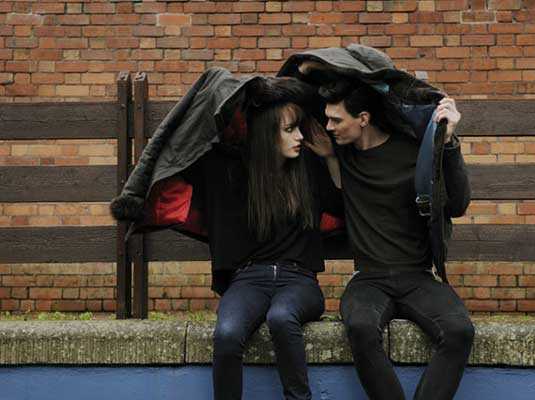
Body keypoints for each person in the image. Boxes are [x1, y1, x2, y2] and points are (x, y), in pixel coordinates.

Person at [305, 76, 474, 400]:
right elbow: (335, 201)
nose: (328, 127)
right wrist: (328, 157)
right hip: (369, 279)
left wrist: (449, 142)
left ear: (363, 119)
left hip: (417, 276)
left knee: (459, 331)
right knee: (361, 328)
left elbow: (458, 204)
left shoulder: (413, 151)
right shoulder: (342, 155)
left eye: (336, 120)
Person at [181, 79, 342, 400]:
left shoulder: (309, 169)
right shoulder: (236, 173)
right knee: (227, 334)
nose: (300, 137)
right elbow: (203, 136)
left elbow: (341, 206)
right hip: (249, 280)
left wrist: (330, 158)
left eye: (299, 128)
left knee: (281, 318)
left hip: (300, 281)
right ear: (268, 134)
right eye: (290, 130)